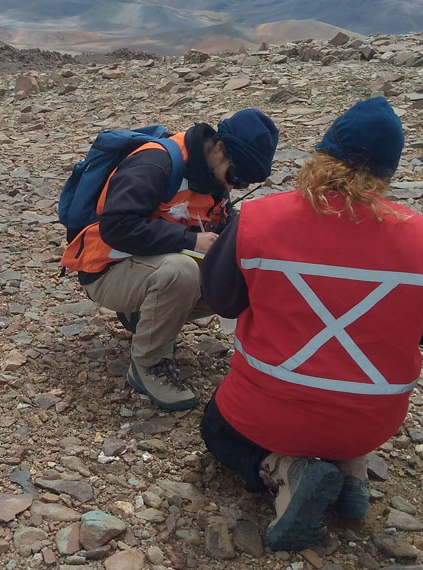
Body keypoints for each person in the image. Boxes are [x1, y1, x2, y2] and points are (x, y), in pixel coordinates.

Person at [199, 96, 423, 551]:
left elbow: (220, 299)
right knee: (343, 404)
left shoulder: (260, 219)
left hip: (264, 412)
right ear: (387, 173)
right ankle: (350, 470)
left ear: (322, 156)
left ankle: (285, 471)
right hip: (371, 421)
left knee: (216, 429)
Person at [62, 109, 279, 411]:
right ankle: (148, 365)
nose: (231, 187)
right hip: (104, 270)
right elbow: (116, 228)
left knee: (240, 274)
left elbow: (220, 221)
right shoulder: (155, 163)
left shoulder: (212, 178)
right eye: (234, 176)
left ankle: (146, 317)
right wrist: (190, 241)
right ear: (219, 148)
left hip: (147, 268)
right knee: (182, 272)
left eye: (241, 184)